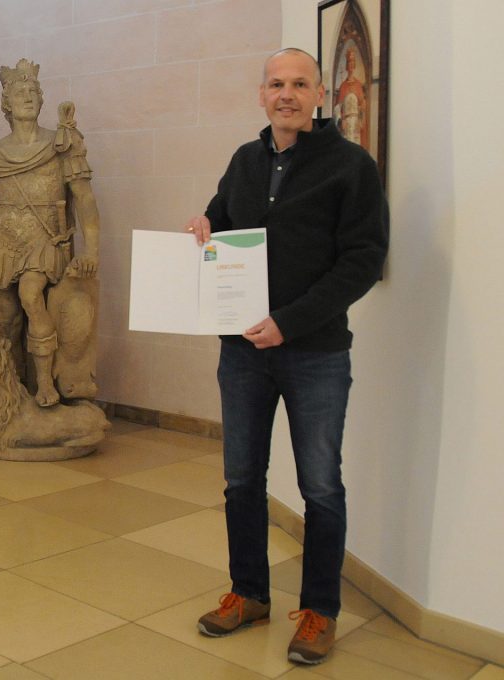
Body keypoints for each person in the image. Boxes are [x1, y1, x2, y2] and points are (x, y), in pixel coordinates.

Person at [185, 48, 388, 664]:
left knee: (321, 487)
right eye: (277, 84)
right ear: (262, 94)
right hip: (242, 352)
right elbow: (222, 221)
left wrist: (288, 323)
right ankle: (248, 593)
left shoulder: (352, 166)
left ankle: (319, 612)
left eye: (300, 84)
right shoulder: (245, 160)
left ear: (321, 95)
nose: (287, 94)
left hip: (316, 354)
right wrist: (203, 224)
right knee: (241, 479)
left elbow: (362, 260)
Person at [0, 59, 101, 407]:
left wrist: (91, 251)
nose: (29, 96)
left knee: (32, 296)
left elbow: (84, 200)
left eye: (34, 91)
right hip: (1, 240)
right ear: (6, 103)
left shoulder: (62, 144)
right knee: (8, 321)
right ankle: (14, 388)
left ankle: (45, 388)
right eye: (20, 92)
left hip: (43, 237)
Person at [334, 48, 368, 149]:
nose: (351, 65)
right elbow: (337, 107)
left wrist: (361, 120)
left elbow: (362, 105)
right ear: (347, 65)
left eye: (353, 62)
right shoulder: (343, 86)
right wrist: (341, 120)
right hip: (346, 123)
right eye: (349, 62)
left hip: (356, 123)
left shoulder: (358, 85)